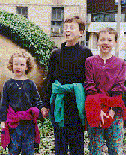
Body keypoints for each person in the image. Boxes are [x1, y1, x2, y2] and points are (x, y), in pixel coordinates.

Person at [41, 16, 93, 155]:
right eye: (66, 28)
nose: (67, 30)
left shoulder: (86, 53)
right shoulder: (55, 54)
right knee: (60, 144)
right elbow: (50, 79)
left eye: (71, 27)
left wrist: (90, 103)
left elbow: (90, 80)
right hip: (59, 104)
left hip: (77, 104)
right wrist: (45, 104)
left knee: (77, 145)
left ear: (81, 32)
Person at [84, 27, 126, 155]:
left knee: (115, 148)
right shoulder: (90, 62)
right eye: (102, 39)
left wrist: (111, 111)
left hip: (115, 112)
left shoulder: (121, 63)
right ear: (97, 42)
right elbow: (90, 86)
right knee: (95, 149)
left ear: (115, 42)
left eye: (109, 40)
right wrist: (99, 110)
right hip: (95, 110)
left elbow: (119, 88)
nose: (105, 43)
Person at [0, 51, 43, 155]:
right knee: (14, 149)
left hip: (28, 123)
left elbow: (37, 100)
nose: (18, 67)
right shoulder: (8, 84)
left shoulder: (30, 84)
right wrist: (2, 121)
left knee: (28, 149)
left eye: (22, 64)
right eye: (16, 64)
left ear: (27, 67)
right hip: (13, 123)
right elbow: (3, 104)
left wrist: (42, 109)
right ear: (11, 65)